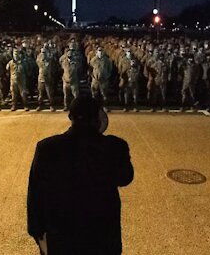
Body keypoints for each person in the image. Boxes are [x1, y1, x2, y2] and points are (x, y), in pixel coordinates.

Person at [27, 96, 134, 255]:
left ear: (70, 117)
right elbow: (126, 178)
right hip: (102, 238)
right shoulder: (115, 146)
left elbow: (35, 195)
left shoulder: (47, 148)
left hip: (62, 237)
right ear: (98, 118)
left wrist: (38, 233)